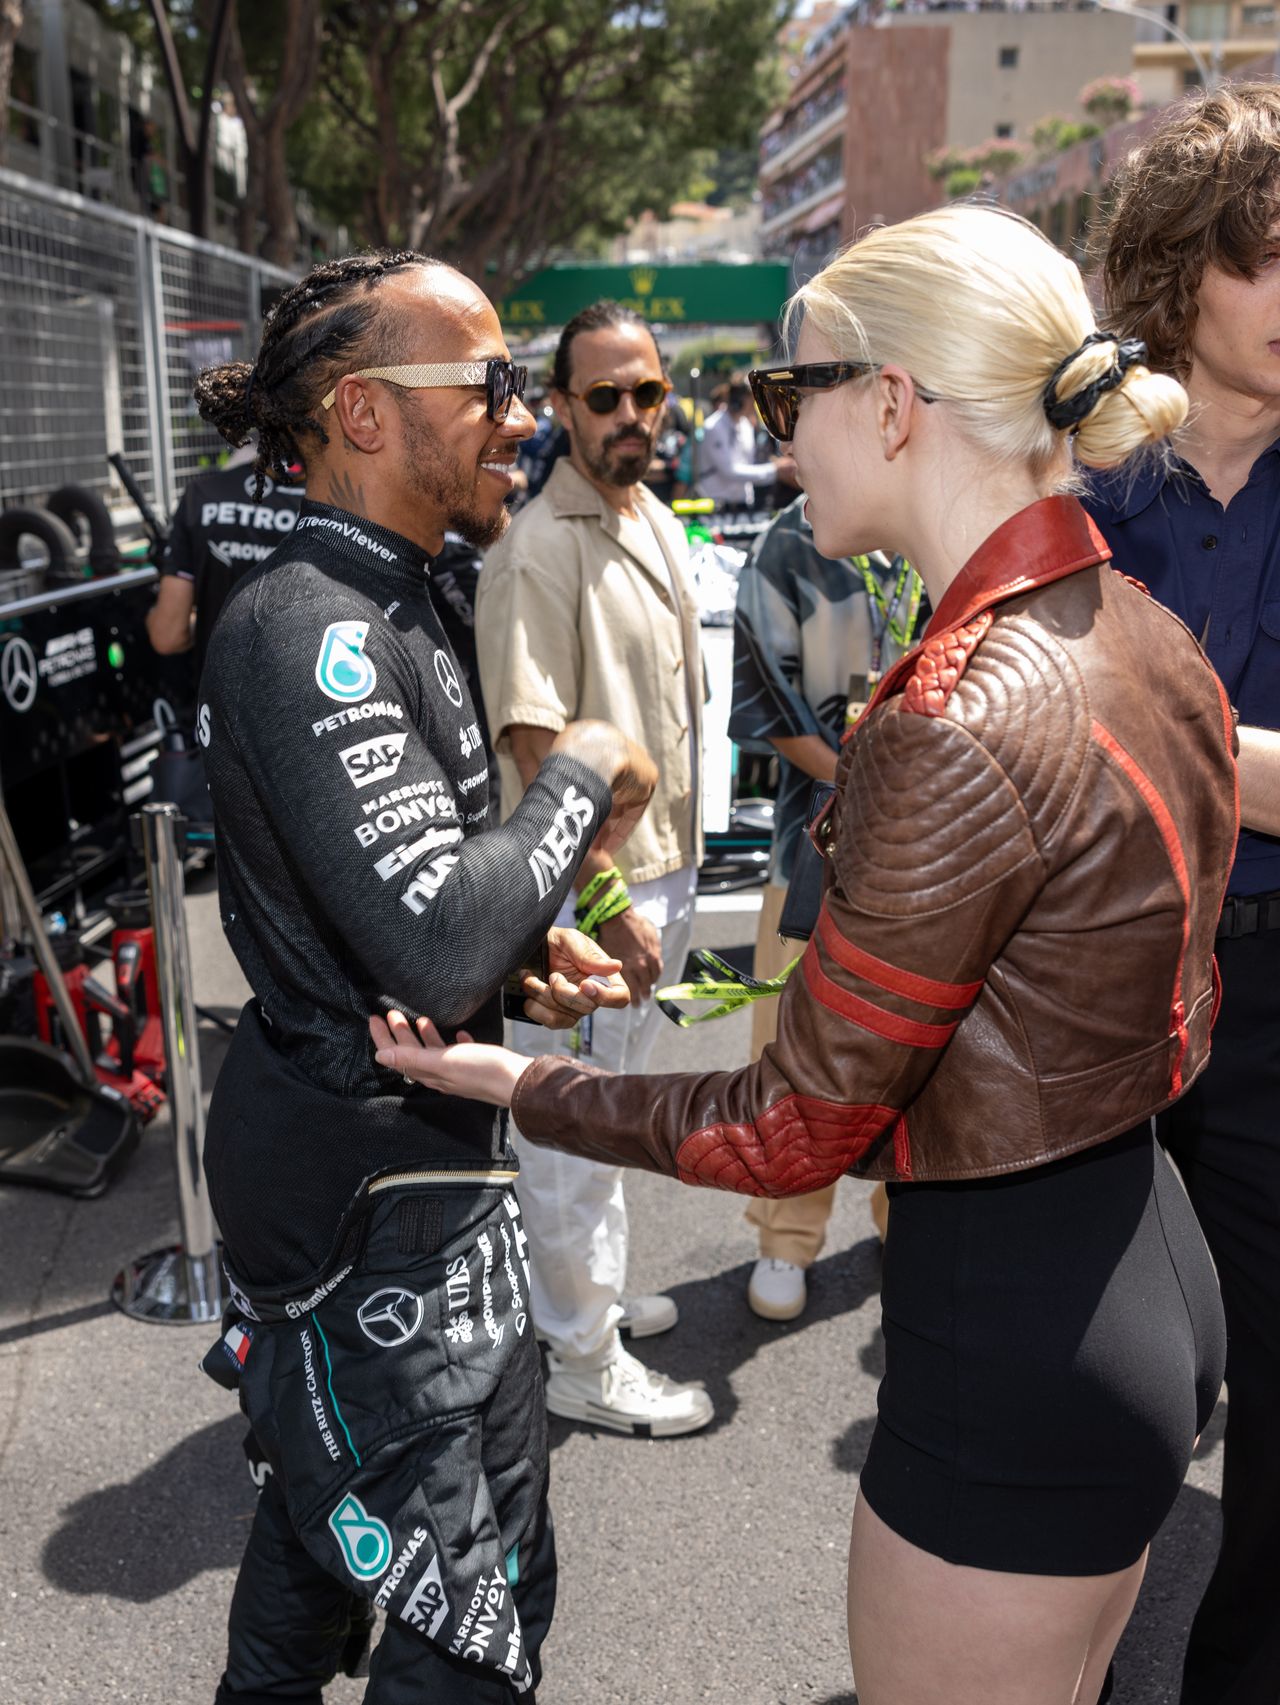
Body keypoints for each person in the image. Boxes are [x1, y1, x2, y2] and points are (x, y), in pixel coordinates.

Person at [372, 205, 1239, 1705]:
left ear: (891, 403)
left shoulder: (960, 714)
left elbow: (791, 1125)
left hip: (1013, 1333)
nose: (778, 442)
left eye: (792, 398)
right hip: (1135, 1262)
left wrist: (521, 1080)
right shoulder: (1143, 629)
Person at [191, 249, 657, 1705]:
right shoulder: (308, 625)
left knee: (330, 1545)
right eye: (492, 385)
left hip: (417, 1172)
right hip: (357, 1195)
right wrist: (583, 764)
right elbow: (430, 939)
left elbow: (425, 918)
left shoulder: (400, 594)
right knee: (479, 1616)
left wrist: (533, 955)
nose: (522, 414)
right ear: (366, 413)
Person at [1086, 83, 1280, 1705]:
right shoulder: (1080, 500)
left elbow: (1063, 720)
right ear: (1179, 275)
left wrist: (1118, 708)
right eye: (1267, 258)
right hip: (1086, 999)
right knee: (1075, 1390)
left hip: (1274, 999)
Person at [475, 301, 712, 1438]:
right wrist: (608, 901)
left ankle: (588, 1302)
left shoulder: (650, 516)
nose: (629, 415)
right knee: (567, 1132)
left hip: (656, 873)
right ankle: (578, 1356)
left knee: (603, 1117)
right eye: (603, 396)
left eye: (646, 393)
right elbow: (534, 751)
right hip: (584, 897)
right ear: (559, 405)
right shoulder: (537, 550)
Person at [730, 496, 922, 1319]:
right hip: (809, 850)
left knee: (911, 1046)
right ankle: (785, 1238)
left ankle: (902, 1222)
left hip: (927, 849)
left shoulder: (930, 522)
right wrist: (861, 777)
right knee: (791, 1049)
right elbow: (765, 711)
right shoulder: (786, 545)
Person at [146, 446, 303, 685]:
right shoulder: (326, 498)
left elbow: (168, 635)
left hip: (219, 701)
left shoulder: (201, 495)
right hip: (300, 697)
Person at [698, 379, 777, 509]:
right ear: (738, 401)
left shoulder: (746, 426)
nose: (754, 405)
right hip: (718, 505)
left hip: (744, 502)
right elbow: (729, 471)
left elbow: (748, 463)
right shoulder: (713, 427)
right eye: (751, 401)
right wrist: (774, 471)